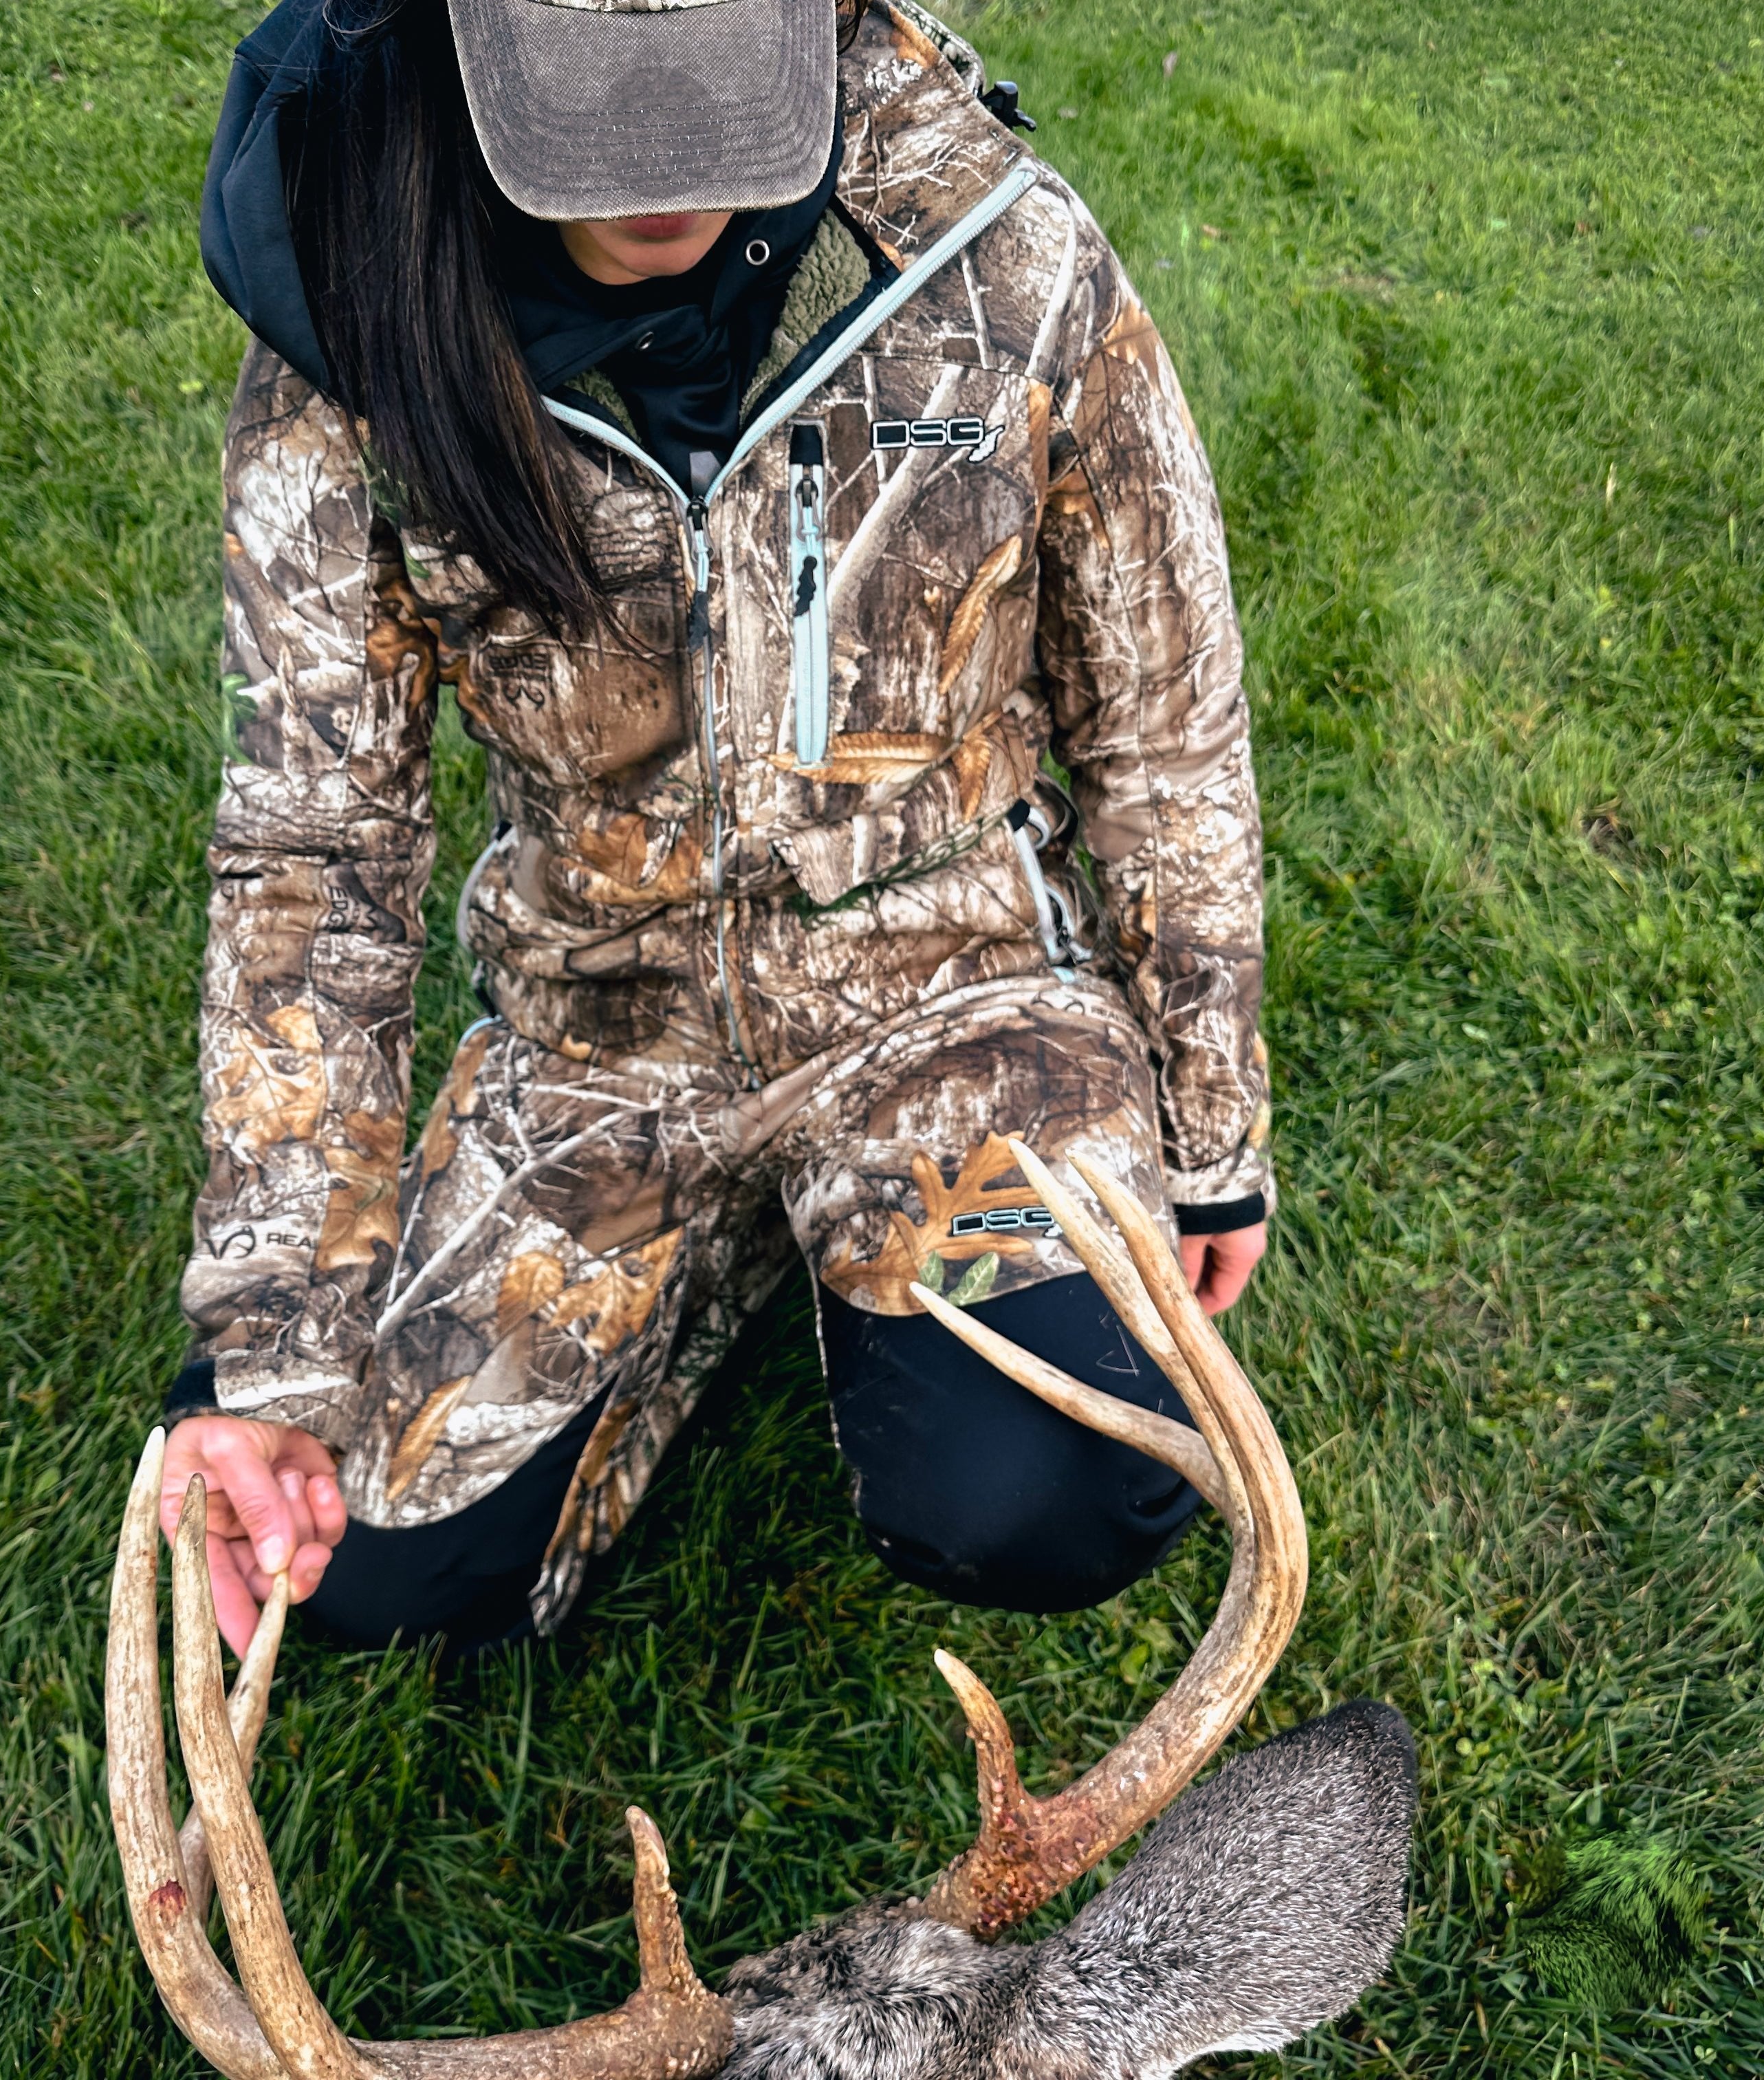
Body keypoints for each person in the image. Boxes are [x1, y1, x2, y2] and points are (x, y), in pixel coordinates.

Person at [160, 0, 1274, 1658]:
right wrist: (275, 1349)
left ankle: (856, 1235)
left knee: (1056, 1479)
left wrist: (1210, 1124)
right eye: (593, 113)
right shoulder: (353, 327)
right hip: (597, 1046)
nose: (661, 177)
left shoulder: (999, 255)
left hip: (954, 1020)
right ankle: (726, 1258)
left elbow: (1163, 711)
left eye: (715, 100)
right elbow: (318, 851)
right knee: (368, 1573)